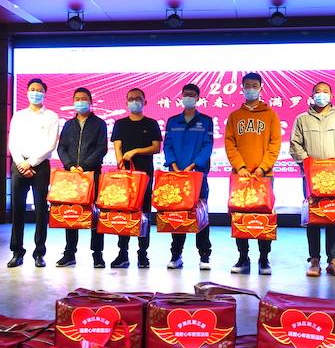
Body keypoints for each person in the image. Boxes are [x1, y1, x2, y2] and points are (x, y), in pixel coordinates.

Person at [289, 82, 335, 277]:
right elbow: (295, 145)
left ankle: (333, 260)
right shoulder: (302, 119)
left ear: (331, 95)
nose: (321, 95)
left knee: (333, 215)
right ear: (312, 96)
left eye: (325, 92)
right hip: (312, 177)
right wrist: (310, 165)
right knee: (313, 217)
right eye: (317, 92)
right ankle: (314, 260)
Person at [225, 72, 281, 275]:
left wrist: (262, 168)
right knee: (240, 215)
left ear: (261, 88)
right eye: (247, 85)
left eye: (254, 85)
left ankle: (264, 259)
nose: (250, 89)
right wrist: (240, 167)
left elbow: (275, 144)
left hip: (264, 176)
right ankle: (243, 258)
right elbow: (230, 143)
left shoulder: (271, 115)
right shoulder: (234, 116)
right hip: (240, 176)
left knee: (263, 216)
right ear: (242, 88)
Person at [7, 78, 59, 268]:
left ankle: (39, 253)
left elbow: (51, 144)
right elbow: (13, 142)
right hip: (19, 164)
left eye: (39, 90)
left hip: (41, 165)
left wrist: (31, 163)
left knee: (41, 210)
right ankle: (17, 252)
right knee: (17, 209)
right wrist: (21, 163)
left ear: (45, 93)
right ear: (27, 92)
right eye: (32, 89)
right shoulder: (19, 116)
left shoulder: (52, 116)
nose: (35, 92)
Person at [55, 88, 108, 268]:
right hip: (71, 176)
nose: (80, 102)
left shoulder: (99, 124)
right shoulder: (69, 124)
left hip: (92, 175)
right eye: (77, 99)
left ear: (90, 102)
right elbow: (61, 148)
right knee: (71, 214)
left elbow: (101, 149)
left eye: (83, 99)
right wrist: (70, 166)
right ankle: (69, 253)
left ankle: (98, 255)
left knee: (96, 214)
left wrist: (83, 166)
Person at [110, 88, 162, 268]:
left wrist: (136, 151)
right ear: (126, 102)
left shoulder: (151, 123)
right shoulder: (120, 124)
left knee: (144, 214)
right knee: (123, 212)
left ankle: (142, 254)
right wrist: (121, 163)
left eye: (138, 99)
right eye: (131, 99)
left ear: (145, 102)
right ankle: (122, 253)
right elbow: (117, 147)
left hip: (145, 175)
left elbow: (156, 147)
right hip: (124, 175)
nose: (134, 101)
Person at [163, 84, 213, 270]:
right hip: (176, 176)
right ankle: (176, 255)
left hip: (197, 175)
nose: (188, 97)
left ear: (198, 98)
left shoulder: (206, 121)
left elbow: (207, 146)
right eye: (186, 94)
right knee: (177, 215)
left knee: (201, 215)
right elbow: (167, 145)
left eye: (192, 95)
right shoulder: (173, 121)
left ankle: (204, 256)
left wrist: (193, 166)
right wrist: (174, 166)